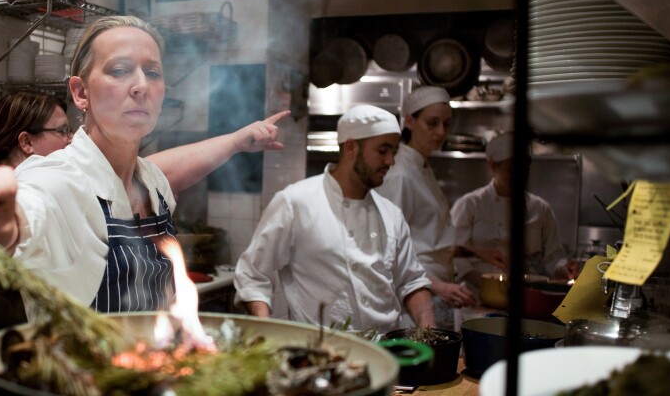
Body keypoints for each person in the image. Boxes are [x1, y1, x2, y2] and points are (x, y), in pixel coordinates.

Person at [0, 15, 285, 318]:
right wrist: (0, 220)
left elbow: (168, 167)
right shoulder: (54, 178)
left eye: (153, 73)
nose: (140, 85)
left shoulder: (149, 180)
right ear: (80, 93)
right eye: (120, 70)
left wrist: (239, 140)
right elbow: (28, 213)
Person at [233, 104, 436, 333]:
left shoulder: (391, 214)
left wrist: (428, 331)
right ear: (351, 148)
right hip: (321, 353)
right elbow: (253, 274)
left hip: (387, 354)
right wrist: (264, 330)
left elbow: (412, 282)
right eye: (382, 150)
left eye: (394, 151)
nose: (390, 161)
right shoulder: (296, 203)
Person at [0, 91, 286, 193]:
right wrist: (235, 142)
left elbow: (152, 173)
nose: (70, 141)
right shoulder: (23, 191)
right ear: (26, 142)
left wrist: (235, 141)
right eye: (61, 132)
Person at [377, 86, 477, 327]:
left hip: (435, 285)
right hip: (414, 294)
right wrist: (438, 285)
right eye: (432, 123)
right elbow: (389, 247)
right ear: (410, 121)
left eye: (446, 123)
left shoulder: (421, 167)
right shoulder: (400, 173)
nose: (440, 132)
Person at [450, 132, 577, 298]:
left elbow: (553, 257)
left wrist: (563, 269)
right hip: (476, 297)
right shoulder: (470, 204)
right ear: (493, 166)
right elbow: (454, 256)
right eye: (512, 170)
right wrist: (490, 285)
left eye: (524, 169)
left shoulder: (540, 208)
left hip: (528, 298)